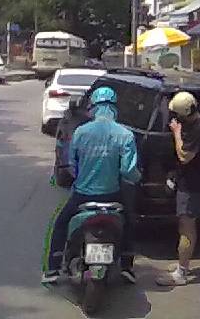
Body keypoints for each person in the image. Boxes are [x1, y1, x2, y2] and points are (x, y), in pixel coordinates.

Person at [42, 86, 140, 285]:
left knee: (60, 223)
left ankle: (52, 269)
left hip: (82, 196)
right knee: (130, 222)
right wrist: (138, 178)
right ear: (114, 107)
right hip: (113, 195)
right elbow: (128, 171)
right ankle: (127, 267)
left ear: (92, 107)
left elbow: (72, 164)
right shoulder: (125, 134)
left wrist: (82, 176)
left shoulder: (81, 132)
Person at [157, 90, 200, 287]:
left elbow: (184, 156)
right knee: (184, 224)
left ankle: (181, 272)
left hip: (193, 185)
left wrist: (176, 132)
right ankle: (183, 263)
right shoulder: (196, 124)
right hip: (187, 182)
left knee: (187, 227)